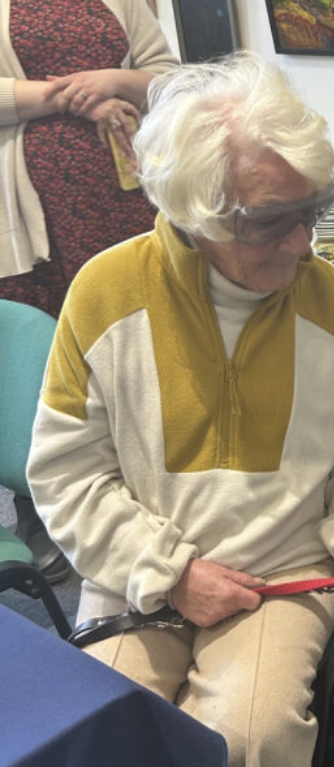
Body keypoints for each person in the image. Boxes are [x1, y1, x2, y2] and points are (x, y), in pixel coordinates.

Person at [27, 53, 334, 767]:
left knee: (243, 739)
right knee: (101, 736)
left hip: (280, 574)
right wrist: (168, 572)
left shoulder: (329, 297)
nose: (305, 242)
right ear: (196, 213)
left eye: (313, 209)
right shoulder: (104, 294)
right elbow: (64, 474)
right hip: (138, 570)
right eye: (274, 220)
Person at [0, 0, 177, 581]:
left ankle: (147, 491)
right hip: (30, 223)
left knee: (138, 347)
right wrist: (71, 98)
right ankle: (42, 505)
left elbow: (171, 81)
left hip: (123, 204)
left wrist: (114, 82)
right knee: (45, 361)